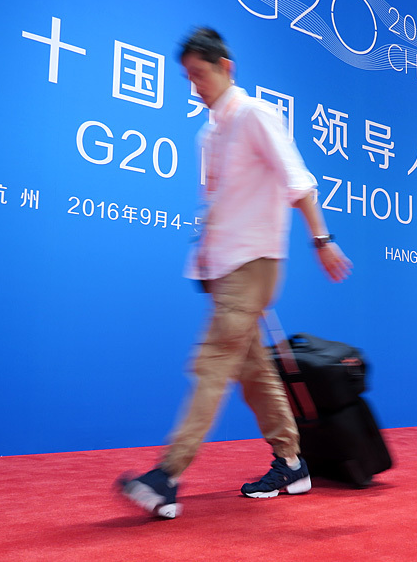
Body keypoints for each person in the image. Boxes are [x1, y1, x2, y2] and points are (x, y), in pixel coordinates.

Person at [118, 27, 352, 519]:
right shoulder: (209, 135)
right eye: (188, 77)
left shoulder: (255, 115)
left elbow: (298, 181)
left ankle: (167, 476)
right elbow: (216, 205)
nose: (194, 86)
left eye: (200, 74)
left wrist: (322, 239)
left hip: (254, 263)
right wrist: (203, 264)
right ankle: (292, 462)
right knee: (253, 371)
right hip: (224, 269)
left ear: (226, 67)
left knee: (212, 362)